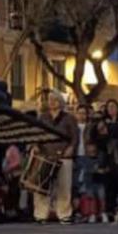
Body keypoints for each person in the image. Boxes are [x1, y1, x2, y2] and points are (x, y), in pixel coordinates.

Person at [32, 92, 78, 224]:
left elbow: (74, 136)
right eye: (50, 99)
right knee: (42, 185)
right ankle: (40, 214)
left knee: (64, 185)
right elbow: (37, 134)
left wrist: (71, 148)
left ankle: (64, 214)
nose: (52, 102)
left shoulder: (69, 118)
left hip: (64, 155)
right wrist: (35, 145)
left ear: (61, 102)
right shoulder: (43, 117)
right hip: (46, 154)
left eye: (55, 99)